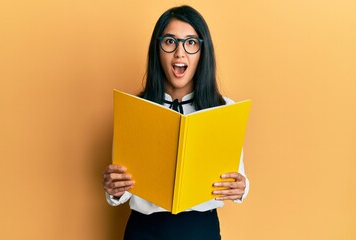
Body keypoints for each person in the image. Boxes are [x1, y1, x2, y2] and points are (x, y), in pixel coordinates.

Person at [102, 5, 249, 240]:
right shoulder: (135, 109)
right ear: (157, 50)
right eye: (170, 42)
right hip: (144, 231)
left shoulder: (223, 109)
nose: (180, 53)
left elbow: (237, 176)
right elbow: (122, 188)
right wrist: (113, 189)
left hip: (200, 230)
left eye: (191, 43)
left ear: (203, 51)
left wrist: (242, 187)